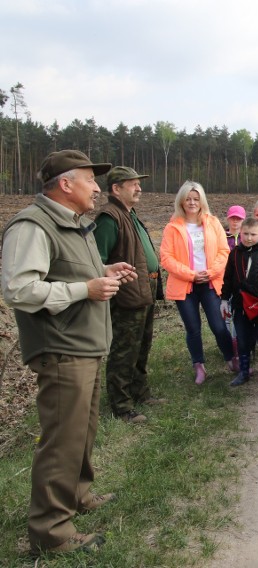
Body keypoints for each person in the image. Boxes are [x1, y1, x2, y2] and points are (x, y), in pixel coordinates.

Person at [2, 149, 138, 554]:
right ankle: (50, 533)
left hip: (84, 346)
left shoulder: (74, 224)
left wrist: (103, 273)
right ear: (66, 184)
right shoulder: (32, 225)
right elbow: (18, 289)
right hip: (61, 349)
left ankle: (77, 495)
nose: (98, 188)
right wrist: (86, 289)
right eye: (90, 180)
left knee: (82, 432)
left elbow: (69, 273)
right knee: (62, 441)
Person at [93, 165, 164, 425]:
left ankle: (140, 393)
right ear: (116, 188)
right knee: (124, 351)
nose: (139, 188)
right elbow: (96, 261)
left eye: (138, 183)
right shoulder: (109, 218)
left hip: (142, 292)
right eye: (133, 183)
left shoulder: (128, 213)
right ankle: (121, 406)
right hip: (125, 297)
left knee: (141, 348)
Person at [160, 181, 236, 385]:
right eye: (188, 199)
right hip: (185, 285)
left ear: (202, 201)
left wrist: (210, 272)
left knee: (218, 326)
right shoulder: (172, 227)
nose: (192, 202)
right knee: (193, 328)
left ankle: (231, 358)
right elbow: (166, 258)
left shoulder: (213, 223)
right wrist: (191, 275)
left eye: (196, 198)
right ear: (181, 201)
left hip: (210, 283)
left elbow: (223, 251)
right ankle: (199, 366)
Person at [220, 218, 258, 389]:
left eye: (253, 234)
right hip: (240, 305)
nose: (249, 238)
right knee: (243, 340)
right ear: (240, 233)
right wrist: (224, 299)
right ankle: (243, 372)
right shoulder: (235, 253)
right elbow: (228, 278)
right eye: (245, 234)